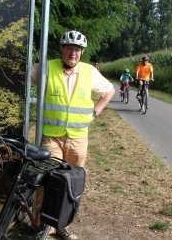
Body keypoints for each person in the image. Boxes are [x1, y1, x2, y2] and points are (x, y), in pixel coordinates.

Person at [32, 30, 115, 240]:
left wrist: (96, 112)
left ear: (82, 52)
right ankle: (41, 226)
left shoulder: (89, 72)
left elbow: (109, 91)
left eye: (77, 49)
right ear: (62, 49)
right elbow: (21, 75)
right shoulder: (46, 67)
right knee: (48, 179)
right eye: (69, 48)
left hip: (78, 139)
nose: (73, 53)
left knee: (71, 183)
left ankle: (63, 225)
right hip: (52, 137)